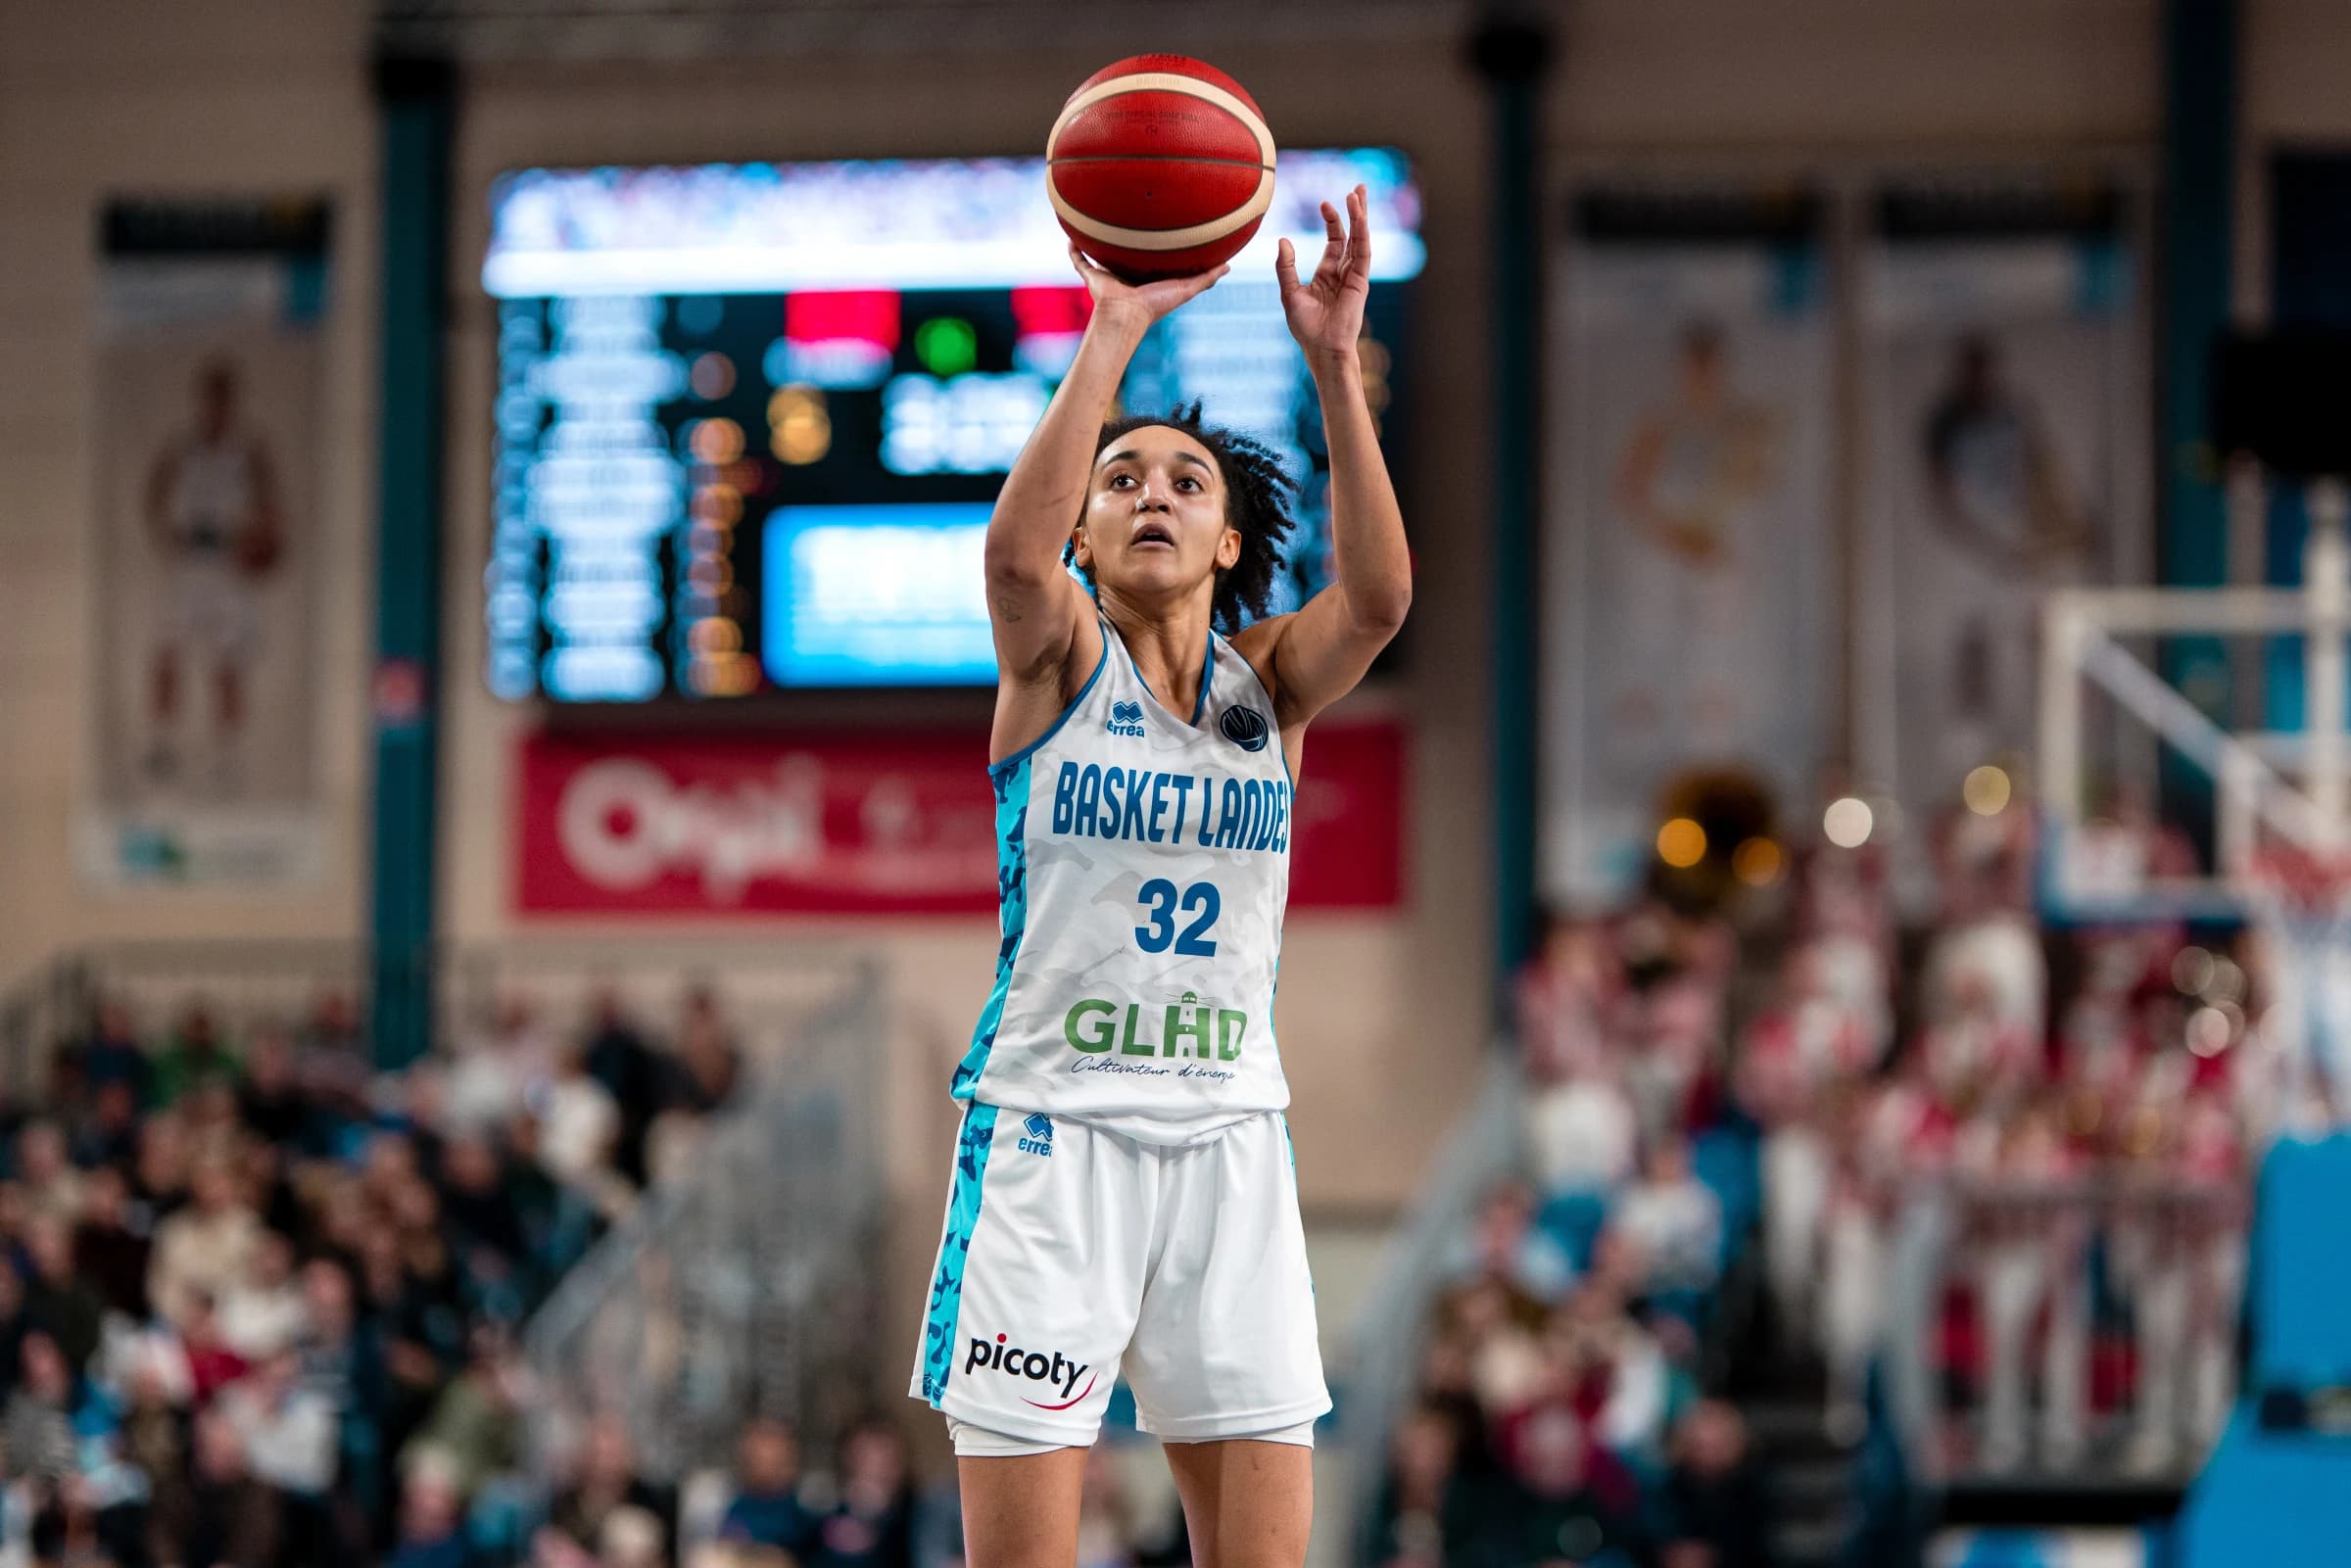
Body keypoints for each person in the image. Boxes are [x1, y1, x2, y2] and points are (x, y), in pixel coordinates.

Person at [908, 187, 1411, 1568]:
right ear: (1090, 529)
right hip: (1050, 1140)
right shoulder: (1058, 658)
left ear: (1230, 542)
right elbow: (1014, 552)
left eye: (1186, 484)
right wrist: (1112, 330)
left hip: (1229, 1139)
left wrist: (1334, 365)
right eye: (1121, 479)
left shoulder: (1273, 690)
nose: (1151, 496)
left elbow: (1377, 602)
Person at [141, 356, 285, 789]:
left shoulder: (248, 449)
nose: (217, 407)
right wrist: (163, 534)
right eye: (212, 399)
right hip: (192, 560)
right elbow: (154, 490)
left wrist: (259, 542)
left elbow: (270, 505)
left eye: (224, 399)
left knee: (227, 662)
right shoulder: (183, 445)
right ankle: (162, 742)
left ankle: (227, 754)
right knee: (169, 650)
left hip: (228, 561)